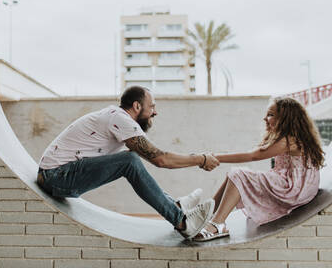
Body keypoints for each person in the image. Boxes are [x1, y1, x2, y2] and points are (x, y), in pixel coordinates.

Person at [36, 86, 220, 239]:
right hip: (55, 176)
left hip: (57, 174)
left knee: (131, 157)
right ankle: (182, 222)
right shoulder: (119, 119)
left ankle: (175, 206)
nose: (155, 112)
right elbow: (161, 159)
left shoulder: (116, 118)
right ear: (137, 106)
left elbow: (151, 154)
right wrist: (200, 159)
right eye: (152, 107)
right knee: (129, 160)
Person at [194, 97, 325, 241]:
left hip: (293, 188)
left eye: (270, 114)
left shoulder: (289, 139)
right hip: (296, 186)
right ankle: (205, 214)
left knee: (239, 174)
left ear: (285, 118)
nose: (265, 118)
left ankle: (218, 224)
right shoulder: (292, 137)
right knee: (234, 175)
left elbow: (252, 156)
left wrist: (213, 157)